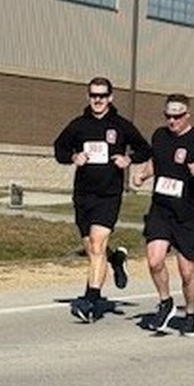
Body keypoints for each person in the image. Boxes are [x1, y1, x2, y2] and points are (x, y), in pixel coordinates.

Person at [54, 77, 151, 322]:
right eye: (93, 95)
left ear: (110, 97)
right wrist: (74, 157)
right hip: (83, 194)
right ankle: (116, 259)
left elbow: (144, 149)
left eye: (102, 95)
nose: (97, 100)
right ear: (89, 97)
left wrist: (128, 160)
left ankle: (91, 300)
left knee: (97, 245)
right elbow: (59, 149)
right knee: (92, 250)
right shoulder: (79, 125)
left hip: (108, 194)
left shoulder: (120, 126)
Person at [131, 94, 194, 336]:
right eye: (168, 116)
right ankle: (165, 302)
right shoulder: (160, 136)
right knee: (154, 260)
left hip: (187, 214)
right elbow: (156, 161)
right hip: (161, 209)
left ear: (187, 115)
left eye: (177, 116)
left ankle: (191, 313)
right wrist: (143, 174)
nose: (172, 121)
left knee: (186, 272)